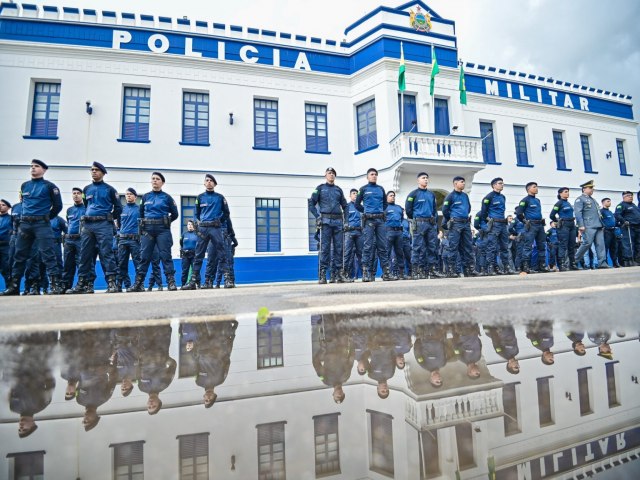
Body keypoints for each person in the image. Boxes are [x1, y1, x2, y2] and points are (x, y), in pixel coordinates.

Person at [2, 159, 65, 296]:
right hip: (25, 225)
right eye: (31, 166)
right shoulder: (25, 185)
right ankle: (14, 287)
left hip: (41, 224)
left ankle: (55, 286)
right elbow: (24, 204)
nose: (33, 168)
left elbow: (58, 206)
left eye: (36, 166)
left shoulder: (50, 187)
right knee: (19, 256)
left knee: (48, 254)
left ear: (44, 170)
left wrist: (47, 217)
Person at [67, 162, 122, 294]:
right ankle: (82, 284)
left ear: (103, 173)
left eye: (96, 170)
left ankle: (111, 283)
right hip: (88, 225)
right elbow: (87, 204)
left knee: (106, 253)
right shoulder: (86, 189)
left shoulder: (110, 190)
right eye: (92, 170)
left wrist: (109, 217)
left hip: (104, 224)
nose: (94, 172)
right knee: (84, 255)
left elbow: (118, 208)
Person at [127, 172, 179, 292]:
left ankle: (171, 282)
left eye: (157, 179)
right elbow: (141, 214)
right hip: (148, 230)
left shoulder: (167, 197)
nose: (155, 181)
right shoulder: (145, 197)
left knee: (166, 256)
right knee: (144, 257)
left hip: (162, 230)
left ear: (162, 182)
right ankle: (138, 284)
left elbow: (175, 214)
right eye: (153, 179)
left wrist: (166, 221)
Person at [182, 174, 231, 290]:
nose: (209, 182)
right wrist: (201, 223)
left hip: (216, 228)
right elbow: (196, 214)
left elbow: (226, 213)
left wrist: (219, 221)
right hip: (203, 228)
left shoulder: (220, 197)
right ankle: (193, 281)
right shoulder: (199, 198)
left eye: (211, 181)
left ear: (214, 184)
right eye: (207, 180)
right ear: (204, 183)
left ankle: (228, 280)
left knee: (222, 253)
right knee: (198, 255)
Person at [308, 167, 348, 284]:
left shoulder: (338, 190)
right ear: (325, 175)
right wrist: (317, 217)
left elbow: (345, 206)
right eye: (329, 173)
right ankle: (323, 274)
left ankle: (338, 274)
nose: (331, 175)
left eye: (333, 173)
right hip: (325, 222)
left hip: (338, 223)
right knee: (324, 249)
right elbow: (311, 204)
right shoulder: (320, 188)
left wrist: (346, 222)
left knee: (339, 249)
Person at [355, 168, 394, 281]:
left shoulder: (381, 189)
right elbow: (357, 204)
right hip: (369, 221)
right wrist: (367, 211)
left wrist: (378, 211)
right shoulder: (363, 189)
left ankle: (386, 272)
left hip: (380, 221)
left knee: (382, 246)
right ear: (367, 177)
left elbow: (385, 204)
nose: (374, 176)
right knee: (367, 246)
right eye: (372, 174)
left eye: (375, 175)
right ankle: (366, 272)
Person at [405, 172, 441, 279]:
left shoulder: (431, 194)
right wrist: (416, 218)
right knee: (417, 247)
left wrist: (434, 222)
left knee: (432, 248)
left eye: (427, 178)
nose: (426, 180)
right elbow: (408, 210)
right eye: (423, 178)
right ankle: (415, 271)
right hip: (419, 223)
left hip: (430, 224)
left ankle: (432, 270)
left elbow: (434, 210)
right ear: (418, 180)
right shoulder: (413, 194)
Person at [441, 176, 477, 278]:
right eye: (462, 182)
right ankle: (451, 270)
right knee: (453, 247)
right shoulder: (450, 196)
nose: (464, 184)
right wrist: (452, 218)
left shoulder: (465, 196)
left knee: (468, 247)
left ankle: (469, 270)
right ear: (455, 183)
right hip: (455, 224)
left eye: (464, 182)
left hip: (465, 223)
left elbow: (468, 208)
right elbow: (445, 211)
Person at [480, 177, 513, 275]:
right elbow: (483, 214)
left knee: (504, 247)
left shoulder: (503, 197)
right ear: (494, 185)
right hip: (494, 224)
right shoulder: (488, 197)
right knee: (492, 247)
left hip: (503, 224)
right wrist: (487, 226)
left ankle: (506, 267)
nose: (502, 185)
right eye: (500, 183)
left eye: (502, 183)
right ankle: (491, 267)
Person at [574, 180, 609, 269]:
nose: (592, 190)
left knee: (600, 245)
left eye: (592, 188)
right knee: (587, 243)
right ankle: (575, 260)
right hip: (588, 225)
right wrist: (580, 225)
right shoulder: (580, 199)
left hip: (598, 225)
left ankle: (602, 263)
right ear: (584, 189)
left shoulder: (592, 200)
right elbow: (578, 213)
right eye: (590, 188)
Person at [515, 181, 547, 274]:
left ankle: (542, 266)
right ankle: (526, 267)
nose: (536, 188)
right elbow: (519, 213)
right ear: (529, 189)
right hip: (531, 225)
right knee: (528, 246)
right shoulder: (525, 200)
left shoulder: (537, 200)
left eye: (537, 187)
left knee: (541, 246)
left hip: (540, 225)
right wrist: (525, 221)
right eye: (534, 187)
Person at [116, 188, 141, 292]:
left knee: (138, 264)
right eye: (127, 194)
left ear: (135, 196)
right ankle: (118, 286)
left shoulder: (140, 209)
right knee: (121, 264)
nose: (128, 196)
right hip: (122, 240)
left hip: (135, 240)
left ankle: (139, 285)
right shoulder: (121, 209)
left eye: (131, 194)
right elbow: (118, 224)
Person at [550, 187, 578, 271]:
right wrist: (558, 221)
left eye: (568, 192)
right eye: (565, 192)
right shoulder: (558, 203)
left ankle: (572, 264)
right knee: (563, 245)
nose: (567, 193)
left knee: (572, 245)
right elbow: (551, 215)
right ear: (560, 194)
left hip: (572, 225)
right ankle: (561, 265)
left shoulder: (568, 203)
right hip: (564, 225)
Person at [62, 188, 85, 291]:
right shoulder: (69, 210)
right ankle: (66, 286)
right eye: (74, 193)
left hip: (81, 239)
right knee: (67, 264)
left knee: (81, 263)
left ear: (82, 196)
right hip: (69, 240)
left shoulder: (86, 208)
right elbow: (69, 222)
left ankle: (82, 285)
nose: (76, 195)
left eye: (78, 193)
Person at [343, 189, 364, 282]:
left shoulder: (361, 207)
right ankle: (345, 274)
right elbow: (343, 220)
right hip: (349, 233)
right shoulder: (346, 207)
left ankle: (365, 274)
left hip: (360, 233)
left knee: (361, 254)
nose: (355, 195)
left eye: (357, 194)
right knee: (347, 254)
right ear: (350, 195)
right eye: (353, 194)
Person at [614, 191, 640, 266]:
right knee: (628, 244)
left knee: (638, 244)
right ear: (624, 197)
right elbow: (617, 215)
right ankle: (628, 260)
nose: (630, 197)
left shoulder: (634, 205)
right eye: (628, 195)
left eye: (631, 195)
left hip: (637, 227)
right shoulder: (621, 205)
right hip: (628, 227)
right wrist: (624, 221)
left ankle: (637, 259)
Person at [385, 191, 405, 280]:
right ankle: (388, 273)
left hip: (399, 232)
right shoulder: (384, 207)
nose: (393, 197)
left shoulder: (399, 208)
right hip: (388, 232)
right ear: (386, 197)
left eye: (394, 196)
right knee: (387, 253)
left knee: (400, 253)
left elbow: (401, 219)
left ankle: (400, 273)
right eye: (390, 196)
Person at [600, 198, 620, 267]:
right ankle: (605, 263)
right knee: (606, 247)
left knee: (614, 247)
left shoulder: (610, 212)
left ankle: (615, 263)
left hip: (613, 231)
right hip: (606, 231)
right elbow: (600, 221)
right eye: (608, 201)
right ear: (603, 203)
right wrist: (604, 227)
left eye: (610, 201)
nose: (609, 203)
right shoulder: (601, 211)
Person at [180, 220, 198, 288]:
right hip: (185, 255)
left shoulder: (196, 234)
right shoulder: (184, 234)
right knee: (185, 270)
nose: (190, 225)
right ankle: (183, 284)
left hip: (194, 255)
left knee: (195, 270)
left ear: (193, 226)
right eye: (188, 224)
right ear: (187, 226)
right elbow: (181, 243)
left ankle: (197, 284)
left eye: (191, 224)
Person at [0, 198, 11, 286]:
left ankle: (9, 287)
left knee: (6, 268)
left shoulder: (11, 219)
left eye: (3, 205)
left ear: (8, 208)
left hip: (6, 246)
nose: (1, 206)